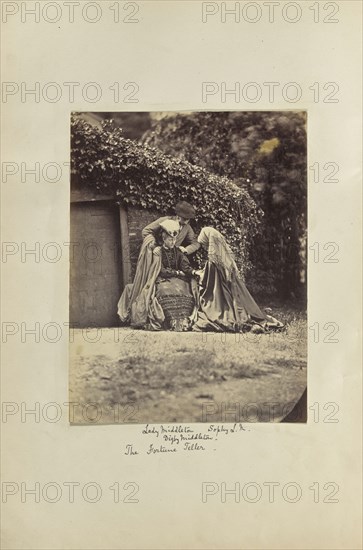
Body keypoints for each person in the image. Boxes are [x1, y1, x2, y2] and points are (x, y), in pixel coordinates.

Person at [192, 227, 284, 333]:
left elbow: (208, 282)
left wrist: (197, 273)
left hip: (220, 299)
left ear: (209, 243)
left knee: (202, 302)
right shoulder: (228, 260)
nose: (203, 248)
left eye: (204, 245)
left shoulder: (212, 262)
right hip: (233, 296)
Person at [118, 220, 199, 331]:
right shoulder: (158, 252)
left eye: (175, 239)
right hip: (162, 279)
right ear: (164, 239)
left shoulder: (178, 251)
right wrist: (176, 272)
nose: (173, 242)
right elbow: (160, 270)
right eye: (170, 239)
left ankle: (182, 320)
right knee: (164, 290)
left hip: (178, 280)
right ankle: (170, 321)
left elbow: (185, 266)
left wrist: (193, 272)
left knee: (185, 289)